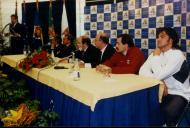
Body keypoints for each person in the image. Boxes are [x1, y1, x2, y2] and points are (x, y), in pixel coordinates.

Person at [139, 27, 190, 126]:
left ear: (170, 40)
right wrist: (161, 82)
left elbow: (159, 75)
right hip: (160, 90)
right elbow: (142, 71)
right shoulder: (156, 54)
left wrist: (156, 57)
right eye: (157, 37)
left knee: (168, 113)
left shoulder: (177, 55)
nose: (158, 39)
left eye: (162, 37)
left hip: (179, 93)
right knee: (145, 109)